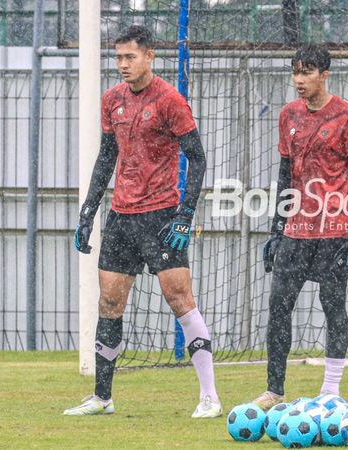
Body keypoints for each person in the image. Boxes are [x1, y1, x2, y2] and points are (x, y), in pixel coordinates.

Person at [63, 26, 221, 418]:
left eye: (129, 57)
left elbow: (197, 158)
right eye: (117, 58)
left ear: (150, 56)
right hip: (121, 217)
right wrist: (88, 212)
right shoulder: (112, 100)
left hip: (162, 216)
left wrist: (185, 214)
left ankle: (210, 398)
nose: (122, 65)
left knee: (180, 299)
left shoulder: (170, 100)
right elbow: (105, 159)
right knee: (109, 302)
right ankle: (102, 398)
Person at [252, 44, 348, 409]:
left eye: (306, 72)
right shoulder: (288, 115)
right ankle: (274, 390)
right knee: (278, 307)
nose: (298, 80)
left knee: (333, 306)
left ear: (324, 74)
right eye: (295, 72)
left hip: (335, 230)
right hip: (295, 231)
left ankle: (331, 389)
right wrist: (276, 229)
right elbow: (285, 175)